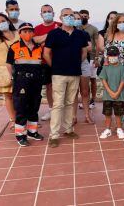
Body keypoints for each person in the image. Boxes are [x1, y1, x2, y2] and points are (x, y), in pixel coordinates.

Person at [43, 8, 89, 148]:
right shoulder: (54, 34)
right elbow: (46, 53)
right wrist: (55, 67)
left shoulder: (80, 34)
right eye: (66, 15)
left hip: (74, 73)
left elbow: (84, 53)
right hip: (58, 74)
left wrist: (75, 64)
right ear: (61, 17)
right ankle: (54, 135)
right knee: (58, 104)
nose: (69, 17)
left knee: (70, 103)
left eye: (71, 15)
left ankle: (68, 130)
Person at [6, 23, 44, 146]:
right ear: (20, 33)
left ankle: (32, 132)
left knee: (34, 106)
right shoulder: (14, 47)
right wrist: (12, 77)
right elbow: (9, 64)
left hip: (36, 81)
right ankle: (20, 135)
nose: (27, 33)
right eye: (24, 31)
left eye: (30, 31)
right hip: (21, 81)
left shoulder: (39, 47)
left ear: (33, 33)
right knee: (21, 107)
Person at [33, 4, 62, 122]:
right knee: (49, 87)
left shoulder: (60, 25)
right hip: (44, 62)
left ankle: (62, 110)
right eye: (44, 12)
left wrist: (43, 41)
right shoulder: (37, 28)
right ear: (41, 14)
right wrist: (51, 34)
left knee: (61, 87)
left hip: (60, 61)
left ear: (54, 13)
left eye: (49, 11)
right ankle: (51, 110)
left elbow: (59, 41)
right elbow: (35, 41)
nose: (47, 13)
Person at [99, 46, 124, 139]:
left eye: (114, 55)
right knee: (107, 113)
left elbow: (123, 81)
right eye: (110, 55)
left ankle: (119, 129)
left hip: (119, 96)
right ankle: (108, 129)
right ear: (107, 56)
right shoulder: (105, 67)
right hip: (107, 96)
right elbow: (103, 80)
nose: (112, 57)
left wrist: (117, 93)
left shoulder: (122, 68)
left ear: (118, 55)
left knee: (118, 113)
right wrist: (110, 92)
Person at [71, 12, 94, 125]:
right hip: (70, 65)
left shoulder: (83, 34)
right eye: (74, 18)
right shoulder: (65, 33)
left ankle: (87, 115)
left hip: (83, 63)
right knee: (73, 92)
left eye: (78, 18)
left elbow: (89, 47)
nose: (76, 20)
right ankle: (73, 117)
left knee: (85, 91)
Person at [79, 9, 100, 109]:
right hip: (80, 57)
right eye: (81, 16)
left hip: (91, 57)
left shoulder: (93, 29)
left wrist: (96, 58)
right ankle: (83, 100)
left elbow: (97, 44)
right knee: (82, 81)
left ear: (88, 17)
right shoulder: (76, 28)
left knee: (93, 79)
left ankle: (93, 100)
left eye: (85, 16)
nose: (84, 17)